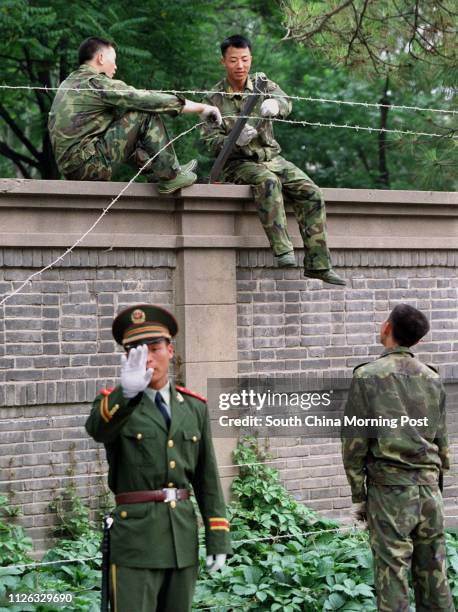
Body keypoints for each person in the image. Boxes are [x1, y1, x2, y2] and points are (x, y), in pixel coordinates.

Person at [85, 304, 232, 612]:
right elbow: (97, 429)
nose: (148, 358)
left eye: (154, 348)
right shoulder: (116, 405)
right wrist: (126, 393)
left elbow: (207, 479)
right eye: (136, 351)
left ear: (170, 350)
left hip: (181, 540)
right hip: (135, 544)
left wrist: (218, 537)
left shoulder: (194, 407)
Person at [201, 34, 345, 285]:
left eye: (244, 59)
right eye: (233, 60)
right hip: (239, 163)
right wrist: (232, 141)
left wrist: (276, 105)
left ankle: (318, 264)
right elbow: (208, 142)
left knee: (312, 192)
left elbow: (286, 102)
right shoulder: (212, 99)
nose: (240, 65)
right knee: (267, 182)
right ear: (222, 61)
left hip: (272, 156)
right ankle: (283, 250)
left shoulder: (262, 84)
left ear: (251, 59)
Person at [341, 304, 454, 611]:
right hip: (429, 490)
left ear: (387, 327)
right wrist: (436, 477)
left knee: (392, 575)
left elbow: (354, 442)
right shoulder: (432, 378)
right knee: (434, 575)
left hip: (390, 492)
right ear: (416, 340)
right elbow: (441, 439)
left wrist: (359, 494)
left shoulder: (367, 376)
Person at [49, 37, 222, 193]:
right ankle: (170, 176)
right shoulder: (96, 84)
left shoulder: (69, 82)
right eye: (113, 60)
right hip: (88, 167)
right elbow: (146, 99)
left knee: (123, 121)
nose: (115, 67)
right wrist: (201, 108)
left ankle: (157, 171)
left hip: (74, 167)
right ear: (101, 58)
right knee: (143, 114)